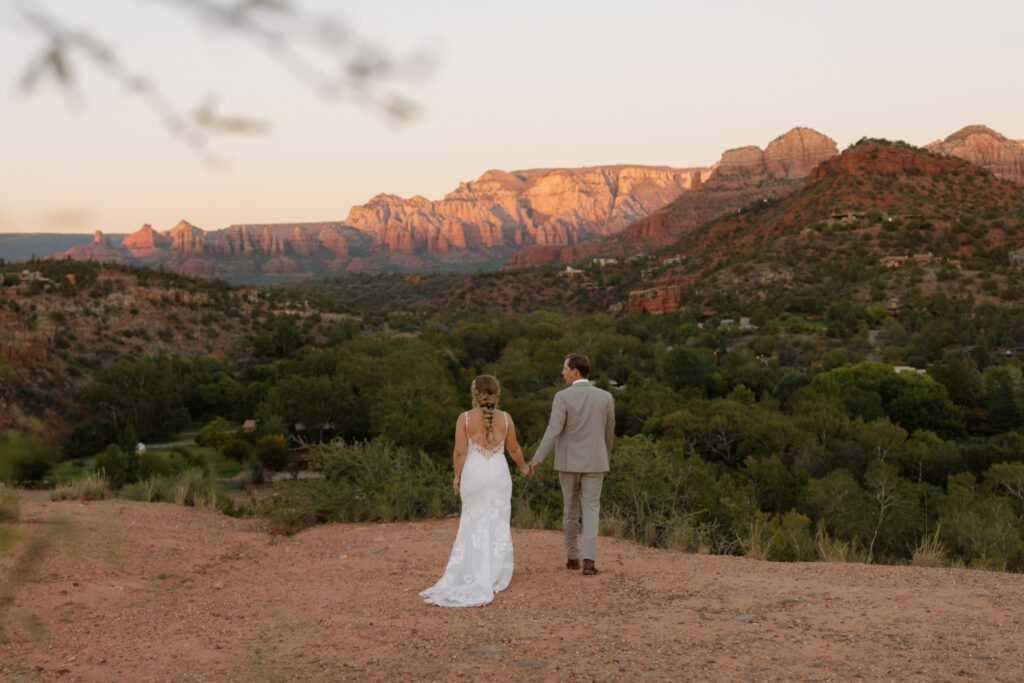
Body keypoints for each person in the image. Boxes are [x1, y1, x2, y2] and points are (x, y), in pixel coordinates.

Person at [420, 375, 530, 607]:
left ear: (475, 394)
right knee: (498, 521)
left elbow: (460, 452)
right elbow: (514, 448)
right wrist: (523, 467)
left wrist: (457, 476)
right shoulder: (507, 419)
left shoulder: (465, 419)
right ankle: (495, 572)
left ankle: (473, 570)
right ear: (497, 393)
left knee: (472, 521)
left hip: (474, 474)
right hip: (499, 475)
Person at [528, 353, 614, 576]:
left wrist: (538, 457)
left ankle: (572, 558)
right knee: (592, 510)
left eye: (565, 369)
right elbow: (609, 433)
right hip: (596, 462)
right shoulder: (605, 397)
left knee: (570, 511)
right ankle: (589, 561)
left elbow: (553, 430)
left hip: (568, 462)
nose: (562, 372)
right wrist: (605, 457)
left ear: (575, 371)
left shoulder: (562, 397)